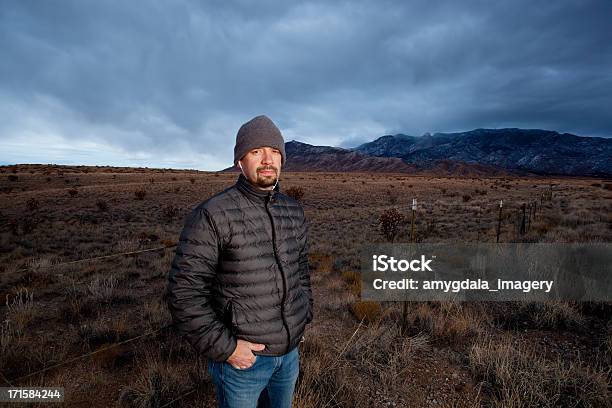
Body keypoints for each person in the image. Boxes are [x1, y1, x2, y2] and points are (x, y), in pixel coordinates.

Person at [167, 115, 313, 408]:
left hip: (289, 356)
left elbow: (301, 270)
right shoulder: (213, 214)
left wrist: (304, 314)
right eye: (256, 151)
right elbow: (183, 294)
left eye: (274, 151)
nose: (267, 159)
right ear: (239, 162)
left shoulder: (293, 211)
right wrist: (229, 349)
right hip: (243, 363)